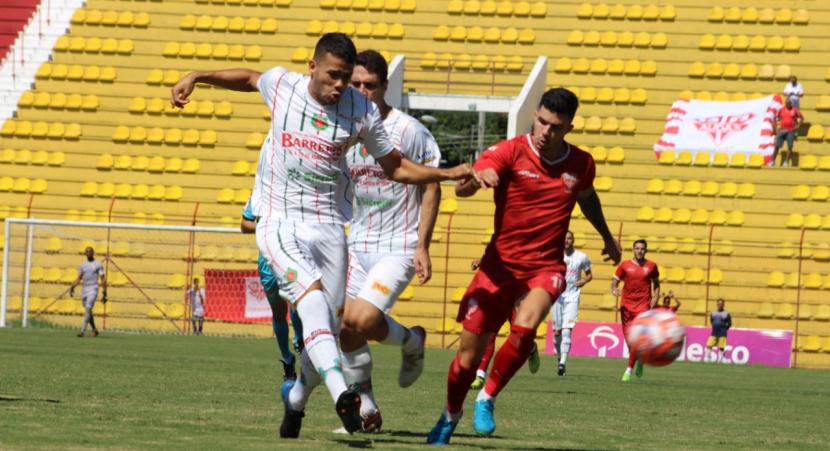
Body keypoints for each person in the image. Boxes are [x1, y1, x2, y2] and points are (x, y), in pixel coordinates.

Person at [171, 33, 475, 437]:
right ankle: (344, 395)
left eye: (346, 78)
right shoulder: (283, 85)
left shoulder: (361, 111)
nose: (340, 86)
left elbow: (396, 167)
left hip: (330, 228)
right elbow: (247, 78)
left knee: (331, 329)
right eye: (334, 76)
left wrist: (446, 173)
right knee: (311, 302)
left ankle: (297, 398)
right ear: (312, 67)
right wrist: (198, 75)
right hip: (280, 222)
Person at [426, 88, 621, 445]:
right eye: (542, 121)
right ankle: (450, 413)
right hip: (497, 268)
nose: (546, 131)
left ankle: (487, 397)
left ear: (569, 128)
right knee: (466, 361)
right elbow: (467, 185)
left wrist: (607, 238)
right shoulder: (510, 150)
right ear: (535, 115)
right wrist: (477, 178)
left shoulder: (581, 164)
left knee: (525, 326)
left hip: (544, 267)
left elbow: (587, 199)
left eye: (555, 127)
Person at [337, 50, 441, 432]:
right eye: (356, 84)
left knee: (361, 320)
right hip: (357, 243)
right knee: (345, 327)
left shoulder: (408, 130)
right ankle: (367, 409)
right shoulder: (346, 127)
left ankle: (411, 341)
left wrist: (422, 245)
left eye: (371, 85)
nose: (363, 91)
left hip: (398, 246)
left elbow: (431, 184)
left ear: (384, 87)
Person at [241, 199, 299, 381]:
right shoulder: (259, 192)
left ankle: (301, 340)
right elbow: (244, 224)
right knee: (278, 312)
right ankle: (287, 359)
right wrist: (268, 230)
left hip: (292, 257)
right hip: (267, 262)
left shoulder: (293, 186)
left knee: (297, 298)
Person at [468, 258, 541, 391]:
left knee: (520, 336)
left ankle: (531, 348)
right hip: (497, 299)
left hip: (514, 299)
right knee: (489, 336)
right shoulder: (502, 244)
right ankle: (480, 376)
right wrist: (481, 262)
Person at [611, 239, 660, 382]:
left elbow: (656, 284)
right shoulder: (624, 265)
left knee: (636, 341)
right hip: (626, 307)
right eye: (637, 248)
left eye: (642, 249)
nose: (639, 251)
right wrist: (614, 289)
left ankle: (628, 371)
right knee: (630, 344)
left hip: (643, 307)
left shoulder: (651, 266)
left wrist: (655, 298)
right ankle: (640, 360)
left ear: (646, 250)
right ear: (633, 249)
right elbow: (614, 282)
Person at [551, 230, 592, 376]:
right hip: (557, 297)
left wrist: (583, 281)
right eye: (564, 238)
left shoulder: (581, 257)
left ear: (573, 240)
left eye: (569, 238)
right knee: (557, 332)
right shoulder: (554, 255)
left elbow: (589, 275)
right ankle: (559, 357)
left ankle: (562, 363)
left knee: (567, 330)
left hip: (573, 297)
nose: (566, 241)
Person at [70, 247, 106, 338]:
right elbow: (79, 278)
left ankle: (82, 331)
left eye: (90, 251)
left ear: (93, 253)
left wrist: (104, 292)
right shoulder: (83, 265)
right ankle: (94, 329)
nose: (89, 253)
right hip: (84, 290)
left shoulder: (98, 264)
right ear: (85, 254)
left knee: (88, 308)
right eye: (87, 252)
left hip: (93, 289)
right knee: (88, 311)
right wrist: (72, 287)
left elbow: (102, 278)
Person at [773, 98, 803, 168]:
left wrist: (798, 126)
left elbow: (801, 118)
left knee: (790, 147)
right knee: (776, 146)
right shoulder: (781, 110)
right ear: (785, 104)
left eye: (790, 103)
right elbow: (775, 118)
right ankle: (773, 161)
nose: (789, 104)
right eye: (787, 103)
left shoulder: (794, 110)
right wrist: (776, 128)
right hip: (782, 130)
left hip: (791, 131)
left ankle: (786, 162)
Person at [706, 298, 732, 362]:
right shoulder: (713, 313)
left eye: (721, 304)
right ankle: (708, 358)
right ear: (717, 304)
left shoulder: (726, 314)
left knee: (721, 347)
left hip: (722, 332)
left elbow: (729, 323)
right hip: (714, 332)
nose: (720, 305)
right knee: (709, 345)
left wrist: (725, 329)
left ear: (723, 305)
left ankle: (720, 359)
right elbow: (712, 321)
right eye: (719, 303)